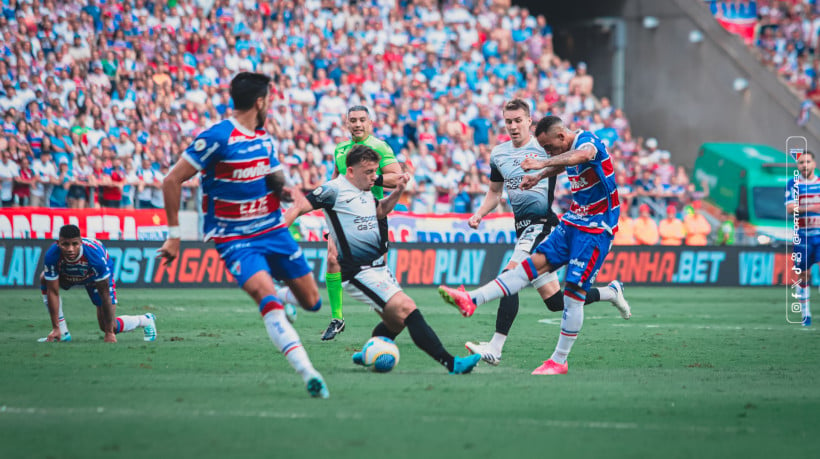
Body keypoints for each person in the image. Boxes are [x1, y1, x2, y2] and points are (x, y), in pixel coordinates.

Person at [157, 72, 330, 398]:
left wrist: (288, 191)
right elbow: (171, 180)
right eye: (270, 100)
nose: (271, 105)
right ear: (260, 101)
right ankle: (309, 372)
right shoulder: (217, 137)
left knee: (312, 302)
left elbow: (274, 178)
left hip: (272, 229)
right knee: (267, 301)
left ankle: (279, 294)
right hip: (234, 238)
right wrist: (174, 235)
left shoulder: (263, 138)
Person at [439, 115, 625, 375]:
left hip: (597, 229)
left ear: (562, 137)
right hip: (573, 221)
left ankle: (558, 361)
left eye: (549, 147)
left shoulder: (587, 141)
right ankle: (471, 299)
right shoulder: (564, 150)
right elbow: (563, 164)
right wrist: (540, 176)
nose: (548, 151)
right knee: (530, 272)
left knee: (572, 295)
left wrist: (542, 161)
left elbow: (581, 157)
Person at [283, 145, 481, 374]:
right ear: (350, 171)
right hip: (357, 272)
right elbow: (297, 208)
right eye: (368, 172)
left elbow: (379, 211)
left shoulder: (365, 188)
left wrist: (397, 191)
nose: (374, 177)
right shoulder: (332, 190)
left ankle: (368, 353)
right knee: (407, 308)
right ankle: (452, 363)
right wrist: (275, 238)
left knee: (395, 322)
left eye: (375, 171)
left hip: (379, 268)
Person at [321, 105, 403, 341]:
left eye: (361, 120)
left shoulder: (379, 147)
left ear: (370, 123)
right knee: (331, 258)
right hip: (344, 212)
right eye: (353, 120)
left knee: (377, 272)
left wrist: (372, 176)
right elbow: (337, 178)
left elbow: (397, 177)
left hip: (371, 212)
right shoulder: (340, 148)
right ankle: (337, 318)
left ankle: (396, 313)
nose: (357, 124)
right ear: (347, 124)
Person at [38, 224, 157, 343]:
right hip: (69, 274)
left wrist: (109, 333)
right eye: (65, 244)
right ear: (58, 243)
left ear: (81, 242)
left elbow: (105, 294)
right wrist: (56, 327)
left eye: (74, 244)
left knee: (107, 326)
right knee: (45, 278)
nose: (70, 249)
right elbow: (53, 292)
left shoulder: (95, 257)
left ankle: (145, 320)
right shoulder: (52, 255)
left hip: (93, 278)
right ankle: (62, 333)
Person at [786, 151, 819, 327]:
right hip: (803, 236)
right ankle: (806, 314)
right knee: (804, 274)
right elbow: (791, 209)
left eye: (807, 162)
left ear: (814, 164)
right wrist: (813, 205)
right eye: (801, 163)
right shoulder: (793, 184)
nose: (804, 165)